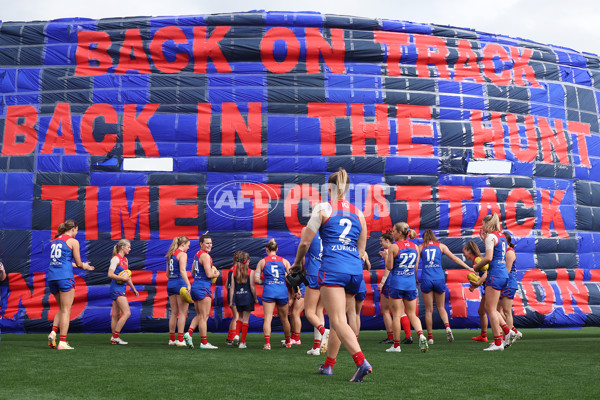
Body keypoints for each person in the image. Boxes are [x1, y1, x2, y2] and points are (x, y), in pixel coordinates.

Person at [292, 168, 372, 382]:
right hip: (354, 271)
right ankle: (328, 365)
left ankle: (361, 361)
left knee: (336, 319)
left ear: (329, 188)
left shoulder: (324, 208)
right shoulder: (359, 213)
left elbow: (305, 242)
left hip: (333, 269)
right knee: (340, 319)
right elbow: (362, 250)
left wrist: (298, 262)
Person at [419, 229, 473, 345]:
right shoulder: (441, 246)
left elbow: (415, 264)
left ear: (424, 237)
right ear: (434, 236)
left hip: (426, 278)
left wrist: (414, 278)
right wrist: (468, 268)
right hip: (439, 278)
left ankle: (430, 337)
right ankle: (447, 327)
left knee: (429, 310)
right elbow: (454, 258)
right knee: (441, 307)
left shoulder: (421, 247)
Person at [46, 220, 95, 350]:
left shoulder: (55, 240)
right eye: (77, 230)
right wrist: (84, 266)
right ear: (73, 228)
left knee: (62, 308)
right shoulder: (73, 241)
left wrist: (82, 265)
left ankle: (53, 332)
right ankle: (62, 342)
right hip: (65, 277)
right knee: (67, 310)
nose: (77, 232)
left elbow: (62, 261)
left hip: (52, 278)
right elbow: (78, 263)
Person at [384, 222, 428, 353]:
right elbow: (415, 267)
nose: (392, 233)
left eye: (393, 231)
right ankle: (421, 335)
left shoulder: (393, 247)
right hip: (410, 284)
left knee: (397, 315)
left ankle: (396, 346)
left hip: (397, 283)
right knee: (412, 314)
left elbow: (389, 267)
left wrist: (386, 256)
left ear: (399, 232)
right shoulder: (415, 246)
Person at [473, 214, 514, 351]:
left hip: (495, 274)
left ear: (487, 224)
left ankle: (498, 342)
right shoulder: (502, 236)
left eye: (483, 224)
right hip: (503, 275)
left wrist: (477, 267)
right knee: (493, 308)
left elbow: (489, 257)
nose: (482, 227)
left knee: (490, 309)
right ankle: (507, 332)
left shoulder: (491, 237)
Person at [183, 233, 219, 350]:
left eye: (211, 243)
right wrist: (216, 273)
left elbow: (193, 271)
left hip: (196, 286)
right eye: (207, 243)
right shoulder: (206, 256)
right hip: (203, 287)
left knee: (199, 315)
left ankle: (189, 333)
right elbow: (209, 274)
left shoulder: (197, 255)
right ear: (201, 244)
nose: (209, 245)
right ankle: (204, 343)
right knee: (204, 316)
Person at [255, 239, 292, 349]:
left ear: (267, 249)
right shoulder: (285, 261)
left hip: (269, 291)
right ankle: (288, 342)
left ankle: (267, 344)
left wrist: (264, 282)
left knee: (267, 318)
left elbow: (256, 279)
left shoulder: (262, 262)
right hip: (282, 291)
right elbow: (291, 279)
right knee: (285, 319)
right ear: (277, 249)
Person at [377, 232, 412, 345]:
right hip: (403, 281)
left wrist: (382, 283)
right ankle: (408, 335)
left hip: (390, 282)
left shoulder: (389, 250)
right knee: (402, 311)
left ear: (387, 241)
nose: (380, 243)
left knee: (387, 311)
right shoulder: (400, 248)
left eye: (382, 241)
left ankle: (391, 337)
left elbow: (388, 269)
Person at [300, 228, 329, 356]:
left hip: (314, 272)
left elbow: (304, 246)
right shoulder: (330, 230)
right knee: (319, 310)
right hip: (327, 273)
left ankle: (324, 332)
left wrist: (298, 264)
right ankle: (316, 347)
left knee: (309, 312)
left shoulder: (307, 230)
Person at [107, 239, 139, 345]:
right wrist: (122, 278)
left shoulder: (125, 260)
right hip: (116, 288)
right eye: (128, 247)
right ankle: (115, 337)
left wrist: (133, 289)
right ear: (122, 247)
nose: (130, 249)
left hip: (121, 288)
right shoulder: (115, 259)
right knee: (127, 313)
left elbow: (127, 276)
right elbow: (110, 274)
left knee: (116, 314)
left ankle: (114, 338)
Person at [166, 236, 192, 347]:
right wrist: (188, 284)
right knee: (182, 313)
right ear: (183, 244)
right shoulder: (182, 254)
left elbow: (167, 274)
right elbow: (182, 270)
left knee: (173, 313)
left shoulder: (171, 254)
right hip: (180, 284)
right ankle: (180, 340)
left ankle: (172, 339)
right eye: (188, 246)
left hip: (170, 284)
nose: (188, 248)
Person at [230, 251, 257, 349]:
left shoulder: (234, 272)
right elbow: (252, 287)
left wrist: (230, 301)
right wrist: (255, 298)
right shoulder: (251, 272)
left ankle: (237, 335)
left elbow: (232, 288)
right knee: (246, 320)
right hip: (248, 298)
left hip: (238, 298)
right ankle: (242, 342)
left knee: (240, 317)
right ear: (248, 261)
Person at [498, 232, 522, 346]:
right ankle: (512, 332)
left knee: (507, 311)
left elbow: (507, 271)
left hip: (508, 283)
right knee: (496, 310)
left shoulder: (509, 252)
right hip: (504, 282)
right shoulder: (504, 252)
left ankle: (507, 337)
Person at [463, 241, 489, 342]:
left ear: (469, 251)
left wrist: (478, 283)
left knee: (494, 311)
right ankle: (483, 336)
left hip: (491, 286)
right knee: (482, 311)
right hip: (487, 287)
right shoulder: (476, 261)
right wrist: (474, 286)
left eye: (464, 251)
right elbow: (479, 277)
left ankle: (507, 332)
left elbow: (486, 273)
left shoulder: (478, 260)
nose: (464, 254)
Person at [353, 253, 371, 339]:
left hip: (351, 284)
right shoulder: (364, 253)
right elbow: (369, 267)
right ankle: (356, 338)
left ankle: (351, 338)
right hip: (361, 285)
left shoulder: (346, 250)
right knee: (356, 314)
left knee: (351, 314)